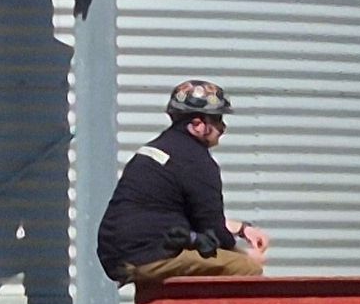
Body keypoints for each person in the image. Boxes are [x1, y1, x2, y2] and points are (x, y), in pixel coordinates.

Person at [94, 81, 270, 284]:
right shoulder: (197, 163)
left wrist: (242, 229)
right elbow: (213, 232)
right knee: (246, 269)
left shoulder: (159, 150)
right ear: (197, 124)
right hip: (150, 254)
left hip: (120, 253)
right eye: (217, 119)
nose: (223, 127)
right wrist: (247, 257)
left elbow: (187, 216)